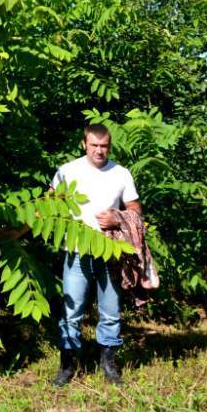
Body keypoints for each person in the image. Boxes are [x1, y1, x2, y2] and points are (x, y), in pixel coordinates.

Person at [50, 123, 142, 387]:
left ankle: (109, 365)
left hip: (110, 252)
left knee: (111, 311)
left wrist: (119, 217)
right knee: (71, 311)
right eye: (94, 145)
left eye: (104, 146)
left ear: (109, 146)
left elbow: (135, 208)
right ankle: (66, 367)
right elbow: (48, 204)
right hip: (77, 252)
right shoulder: (67, 171)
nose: (99, 151)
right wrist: (18, 230)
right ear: (84, 144)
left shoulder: (121, 173)